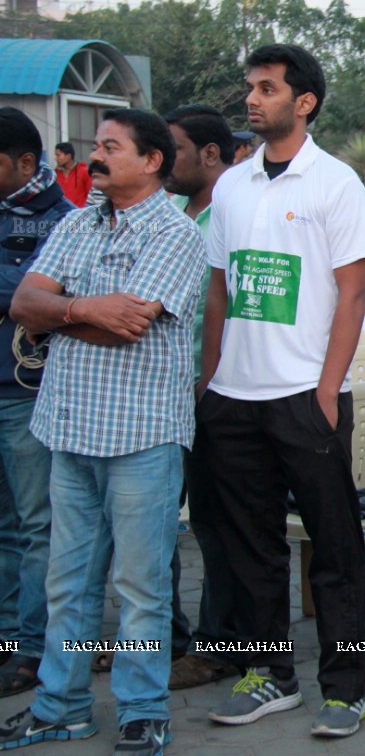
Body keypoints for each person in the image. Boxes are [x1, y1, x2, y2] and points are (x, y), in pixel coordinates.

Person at [0, 108, 203, 756]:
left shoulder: (176, 234)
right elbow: (23, 304)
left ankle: (144, 711)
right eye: (96, 144)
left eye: (110, 146)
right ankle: (60, 706)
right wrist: (81, 309)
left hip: (141, 435)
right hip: (68, 426)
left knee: (140, 588)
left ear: (150, 161)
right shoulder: (76, 221)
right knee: (69, 582)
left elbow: (131, 324)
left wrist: (56, 315)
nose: (96, 154)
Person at [191, 43, 365, 738]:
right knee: (250, 545)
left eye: (267, 88)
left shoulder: (334, 183)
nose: (252, 98)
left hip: (306, 393)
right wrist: (211, 380)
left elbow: (353, 293)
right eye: (250, 87)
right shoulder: (234, 186)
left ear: (305, 103)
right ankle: (269, 675)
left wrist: (328, 390)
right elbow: (219, 290)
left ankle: (345, 685)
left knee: (334, 547)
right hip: (234, 397)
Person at [157, 104, 240, 692]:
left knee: (217, 525)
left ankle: (220, 648)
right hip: (159, 392)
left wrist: (210, 382)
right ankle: (156, 637)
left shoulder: (235, 213)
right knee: (154, 525)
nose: (164, 161)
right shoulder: (168, 213)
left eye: (175, 150)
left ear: (210, 154)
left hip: (213, 389)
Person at [0, 109, 70, 701]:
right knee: (5, 524)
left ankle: (32, 648)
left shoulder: (62, 221)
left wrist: (23, 292)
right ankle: (6, 641)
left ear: (25, 163)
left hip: (26, 392)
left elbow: (39, 295)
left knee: (35, 526)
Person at [51, 143, 90, 208]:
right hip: (61, 214)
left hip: (80, 213)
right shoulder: (54, 174)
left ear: (68, 156)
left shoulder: (84, 172)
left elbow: (90, 194)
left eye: (58, 155)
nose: (56, 158)